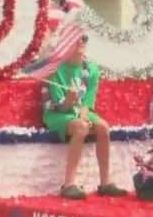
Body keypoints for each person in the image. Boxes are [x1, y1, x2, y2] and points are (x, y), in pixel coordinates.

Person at [42, 34, 128, 200]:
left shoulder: (91, 70)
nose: (81, 41)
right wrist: (68, 100)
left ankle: (105, 183)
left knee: (103, 126)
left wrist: (83, 115)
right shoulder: (55, 69)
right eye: (75, 38)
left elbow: (87, 103)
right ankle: (69, 184)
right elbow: (59, 107)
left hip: (79, 112)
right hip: (58, 114)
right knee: (81, 128)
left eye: (84, 38)